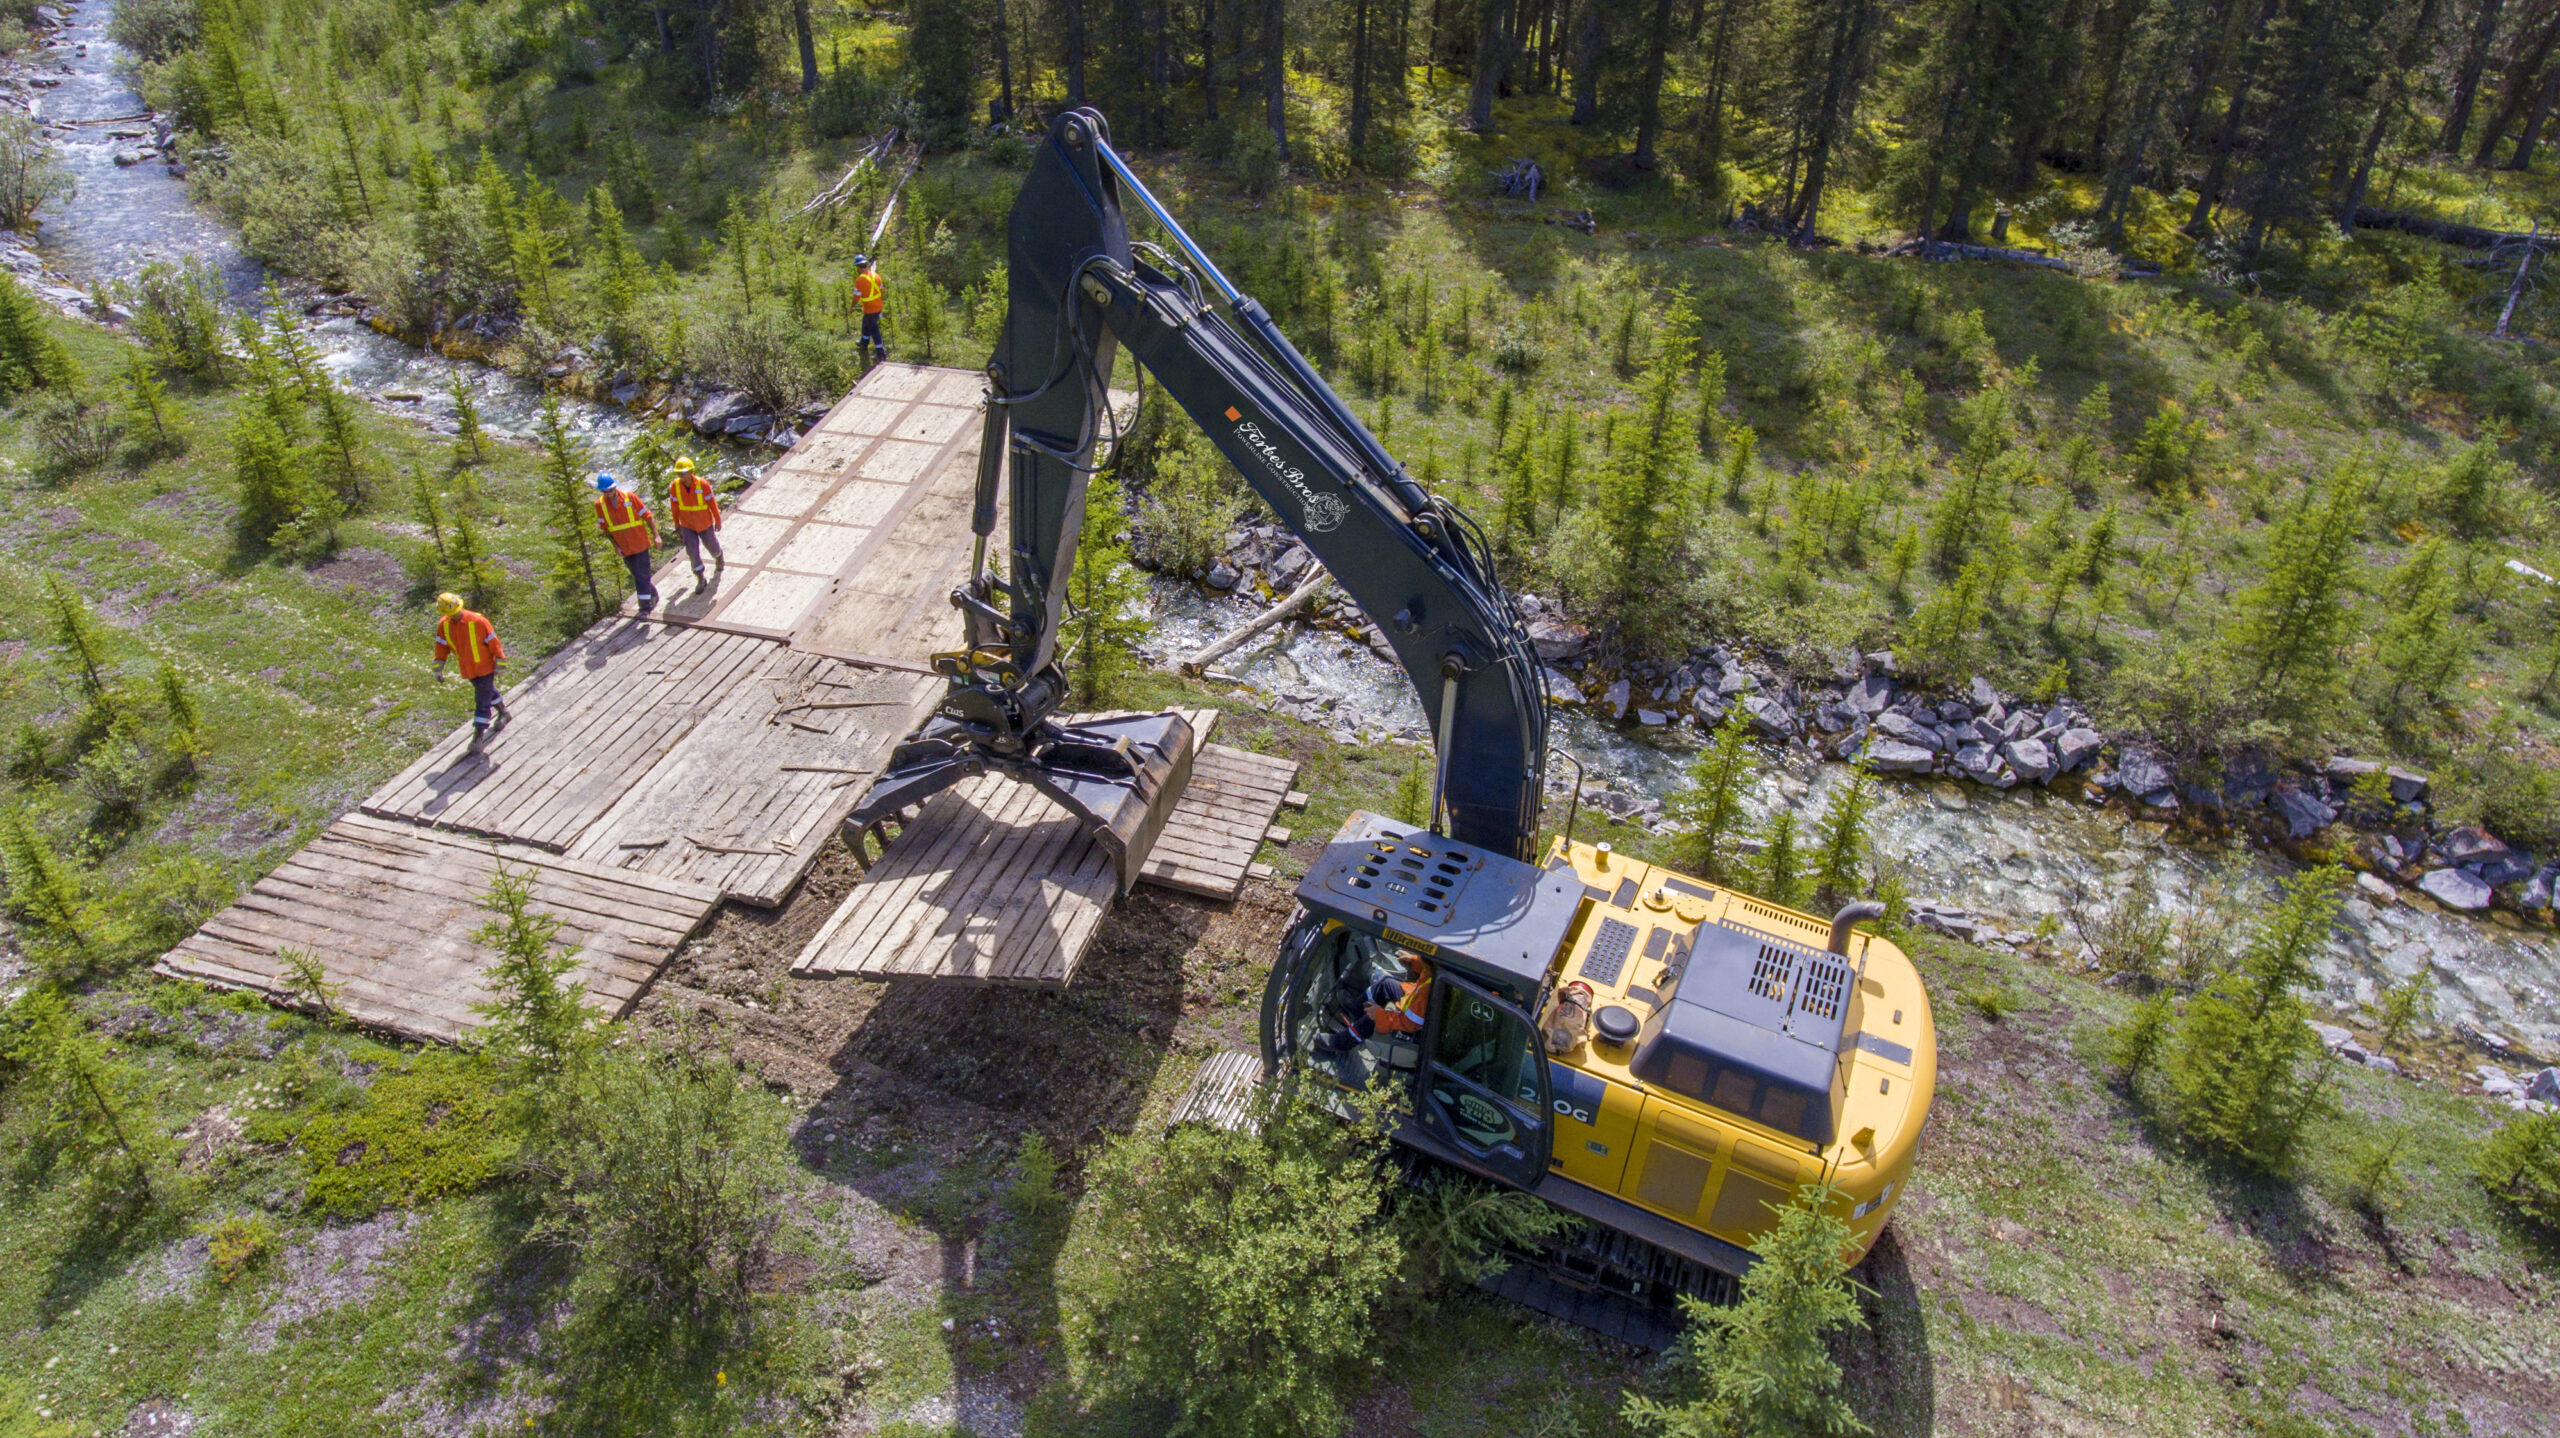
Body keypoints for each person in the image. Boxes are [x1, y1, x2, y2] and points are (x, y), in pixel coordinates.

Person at [431, 592, 509, 748]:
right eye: (450, 614)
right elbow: (441, 648)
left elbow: (494, 643)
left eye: (455, 612)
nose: (453, 616)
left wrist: (500, 663)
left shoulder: (478, 621)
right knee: (487, 691)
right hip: (468, 670)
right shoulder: (444, 625)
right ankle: (504, 713)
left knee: (482, 701)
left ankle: (478, 737)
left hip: (485, 668)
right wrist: (438, 668)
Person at [1315, 951, 1434, 1054]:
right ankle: (1355, 1009)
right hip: (1413, 1000)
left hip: (1414, 1024)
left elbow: (1410, 1023)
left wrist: (1379, 1015)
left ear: (1428, 964)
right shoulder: (1436, 968)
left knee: (1371, 1018)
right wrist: (1415, 960)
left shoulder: (1427, 991)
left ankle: (1339, 1043)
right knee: (1385, 984)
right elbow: (1429, 968)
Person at [592, 472, 660, 615]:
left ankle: (645, 608)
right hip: (624, 547)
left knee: (641, 576)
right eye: (605, 491)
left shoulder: (630, 497)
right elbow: (605, 529)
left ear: (615, 487)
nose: (608, 493)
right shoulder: (600, 505)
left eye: (610, 490)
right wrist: (616, 546)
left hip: (640, 543)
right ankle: (653, 593)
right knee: (638, 575)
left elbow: (647, 516)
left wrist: (656, 535)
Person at [666, 455, 725, 584]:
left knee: (711, 545)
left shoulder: (702, 484)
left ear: (691, 471)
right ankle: (700, 578)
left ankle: (719, 557)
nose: (682, 476)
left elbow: (712, 503)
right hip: (687, 525)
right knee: (692, 551)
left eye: (684, 473)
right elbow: (674, 507)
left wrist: (718, 520)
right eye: (679, 473)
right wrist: (676, 523)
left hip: (704, 523)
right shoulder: (675, 487)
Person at [851, 253, 887, 362]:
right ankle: (864, 343)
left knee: (874, 330)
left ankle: (881, 353)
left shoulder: (859, 280)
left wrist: (852, 307)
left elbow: (856, 296)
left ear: (858, 267)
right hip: (878, 306)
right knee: (866, 323)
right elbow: (882, 291)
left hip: (870, 309)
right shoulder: (876, 276)